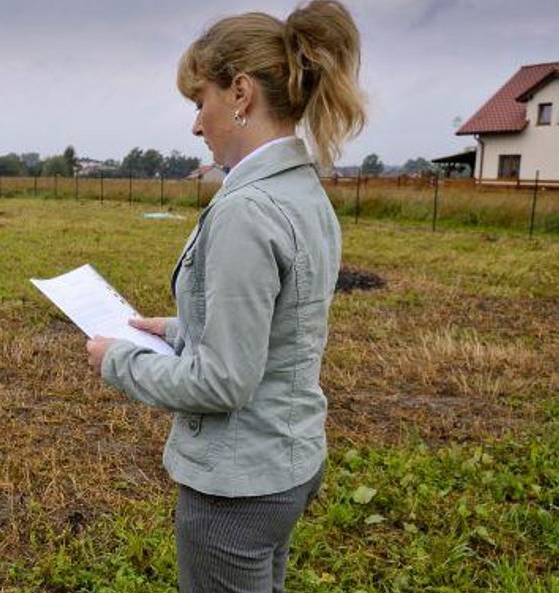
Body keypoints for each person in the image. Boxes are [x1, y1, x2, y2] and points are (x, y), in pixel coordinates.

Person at [85, 2, 366, 591]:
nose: (194, 124)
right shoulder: (303, 193)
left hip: (237, 488)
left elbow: (223, 384)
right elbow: (276, 328)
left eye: (199, 101)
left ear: (240, 93)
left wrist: (118, 360)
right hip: (288, 461)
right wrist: (182, 328)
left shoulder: (246, 210)